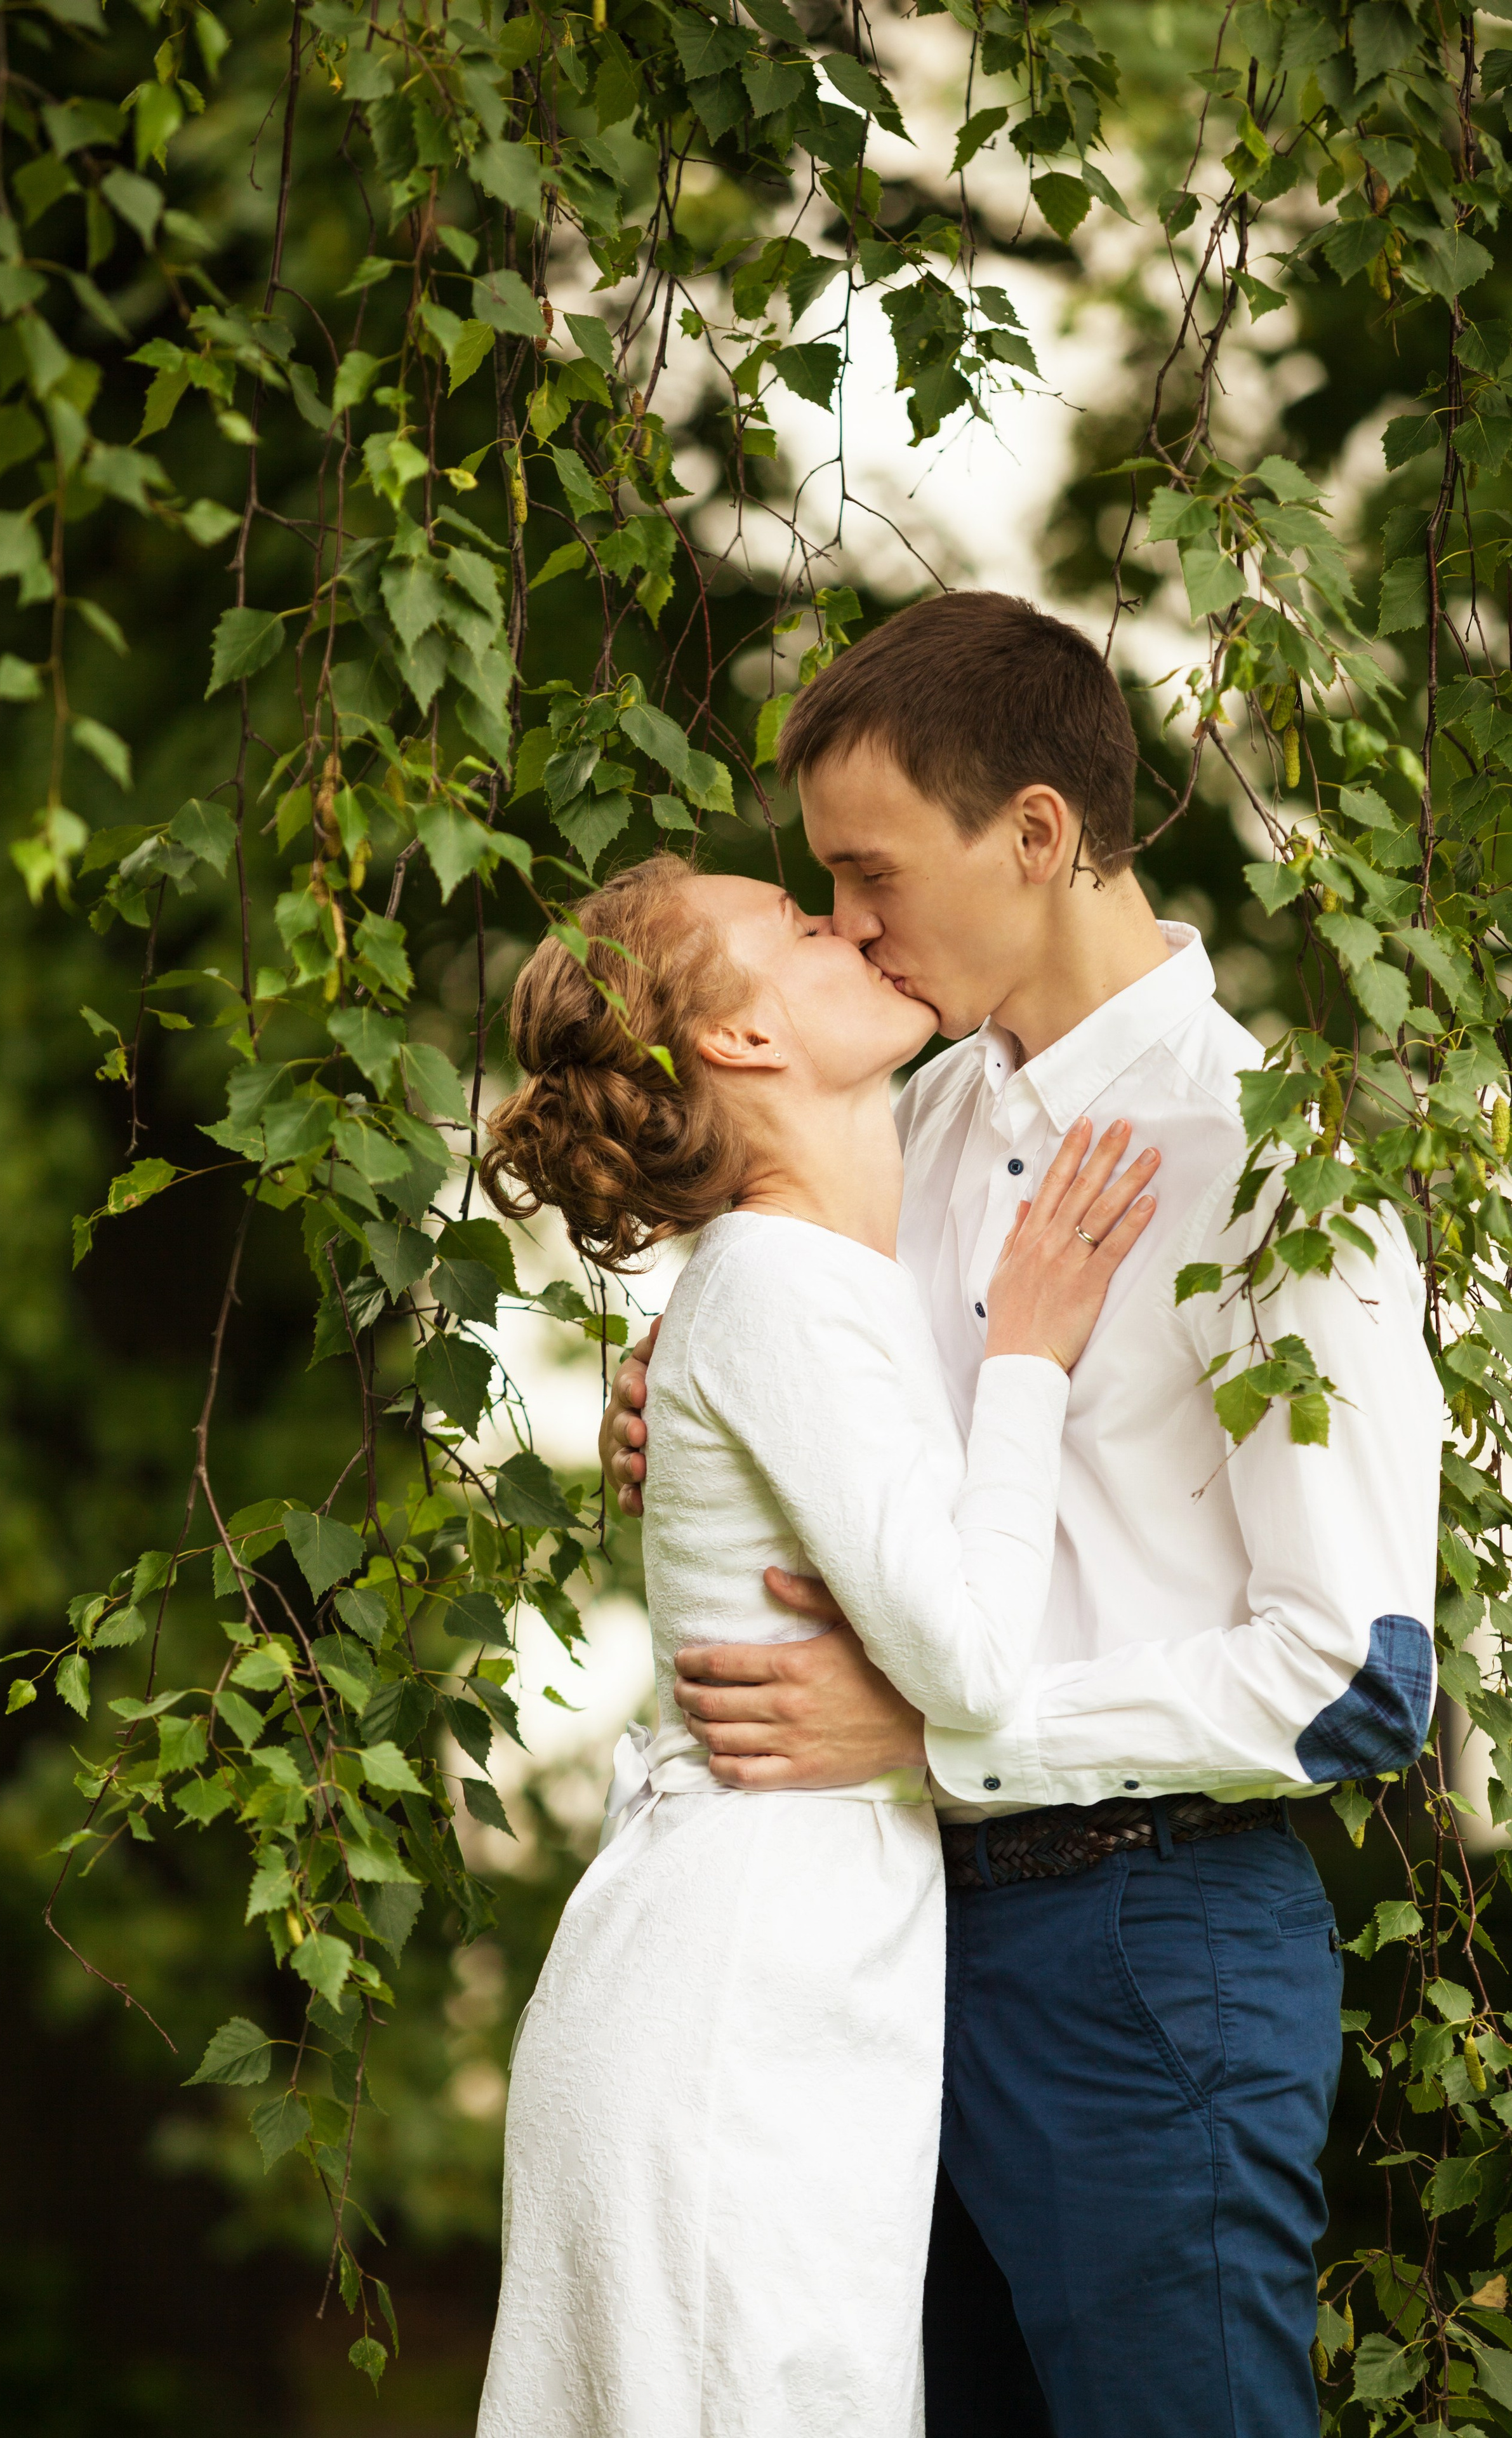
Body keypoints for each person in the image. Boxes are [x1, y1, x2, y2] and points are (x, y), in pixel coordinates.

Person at [600, 590, 1443, 2438]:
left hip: (1147, 1962)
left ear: (1040, 834)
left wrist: (949, 1738)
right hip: (897, 1960)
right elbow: (882, 1480)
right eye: (820, 886)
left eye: (869, 870)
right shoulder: (902, 1131)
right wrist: (693, 1409)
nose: (843, 923)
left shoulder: (1272, 1161)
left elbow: (1359, 1675)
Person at [473, 849, 1160, 2438]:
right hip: (730, 2026)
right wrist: (1030, 1356)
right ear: (738, 1040)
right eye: (794, 922)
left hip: (772, 1997)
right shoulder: (778, 1287)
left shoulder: (790, 1282)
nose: (846, 921)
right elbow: (975, 1669)